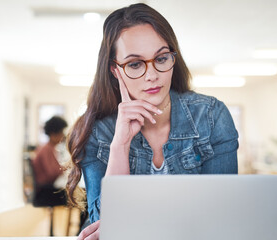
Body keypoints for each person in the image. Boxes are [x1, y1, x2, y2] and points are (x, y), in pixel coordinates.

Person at [66, 3, 239, 239]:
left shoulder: (211, 116)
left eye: (161, 58)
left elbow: (224, 215)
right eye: (135, 64)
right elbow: (103, 226)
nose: (152, 74)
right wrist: (120, 146)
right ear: (115, 71)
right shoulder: (97, 130)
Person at [32, 116, 68, 207]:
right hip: (45, 191)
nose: (63, 136)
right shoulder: (46, 149)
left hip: (46, 188)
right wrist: (66, 168)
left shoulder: (48, 148)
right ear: (53, 133)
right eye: (61, 132)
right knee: (79, 196)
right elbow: (52, 173)